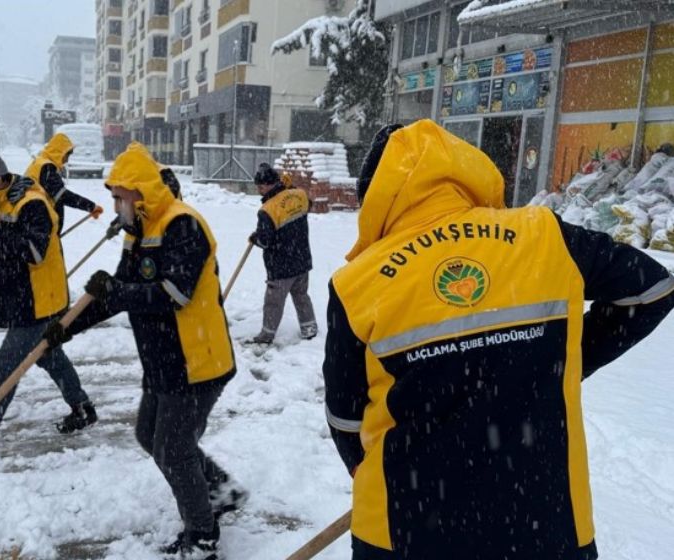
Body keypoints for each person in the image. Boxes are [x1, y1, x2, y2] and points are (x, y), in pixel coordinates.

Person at [322, 119, 674, 560]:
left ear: (375, 197)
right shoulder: (542, 234)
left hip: (406, 533)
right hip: (545, 528)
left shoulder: (358, 283)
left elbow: (346, 421)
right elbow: (652, 290)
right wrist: (559, 362)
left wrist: (384, 472)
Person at [43, 144, 245, 559]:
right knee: (149, 436)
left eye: (119, 196)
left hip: (198, 361)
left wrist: (119, 290)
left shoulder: (182, 226)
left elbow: (175, 294)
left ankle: (202, 538)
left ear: (140, 193)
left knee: (173, 449)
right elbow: (114, 296)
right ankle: (221, 491)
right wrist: (66, 326)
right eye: (113, 196)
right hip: (164, 360)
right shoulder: (140, 234)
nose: (115, 205)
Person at [0, 148, 97, 449]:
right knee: (49, 356)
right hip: (18, 296)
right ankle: (82, 408)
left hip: (40, 298)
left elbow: (34, 252)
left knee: (8, 365)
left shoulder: (33, 203)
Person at [246, 163, 317, 345]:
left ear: (271, 184)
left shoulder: (267, 210)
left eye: (261, 186)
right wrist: (290, 189)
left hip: (281, 267)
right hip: (302, 261)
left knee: (273, 302)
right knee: (301, 296)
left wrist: (255, 238)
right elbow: (309, 205)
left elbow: (265, 241)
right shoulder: (299, 194)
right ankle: (309, 329)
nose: (259, 190)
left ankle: (266, 335)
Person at [24, 132, 103, 233]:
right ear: (58, 152)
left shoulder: (40, 163)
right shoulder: (47, 167)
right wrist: (90, 206)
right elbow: (62, 195)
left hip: (34, 222)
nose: (66, 161)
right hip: (39, 226)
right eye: (66, 156)